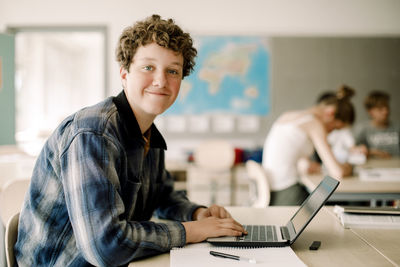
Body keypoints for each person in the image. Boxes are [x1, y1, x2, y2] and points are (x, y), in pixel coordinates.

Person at [14, 15, 246, 266]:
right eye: (148, 67)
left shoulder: (148, 134)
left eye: (173, 71)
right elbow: (106, 246)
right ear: (124, 73)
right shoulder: (94, 133)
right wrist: (192, 231)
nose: (161, 80)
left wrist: (198, 214)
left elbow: (162, 197)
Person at [262, 85, 354, 206]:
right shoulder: (314, 124)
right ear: (330, 113)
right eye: (335, 128)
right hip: (287, 193)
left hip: (269, 191)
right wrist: (349, 167)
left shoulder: (288, 116)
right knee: (343, 204)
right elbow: (338, 173)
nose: (331, 132)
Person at [355, 90, 400, 158]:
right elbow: (351, 150)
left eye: (387, 107)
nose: (386, 112)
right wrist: (371, 152)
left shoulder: (397, 127)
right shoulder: (362, 129)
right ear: (370, 111)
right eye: (380, 109)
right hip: (373, 166)